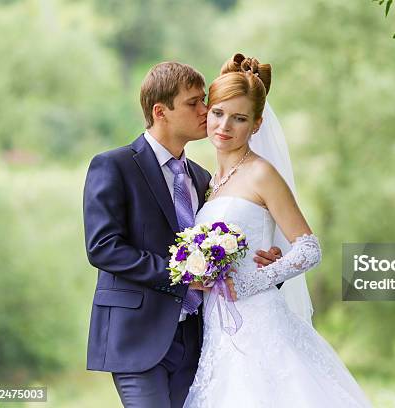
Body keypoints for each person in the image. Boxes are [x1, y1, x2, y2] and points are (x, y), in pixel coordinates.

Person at [83, 61, 282, 408]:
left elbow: (224, 249)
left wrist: (266, 268)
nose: (206, 111)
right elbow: (103, 248)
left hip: (198, 338)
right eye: (194, 103)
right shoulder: (114, 165)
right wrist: (182, 275)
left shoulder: (204, 177)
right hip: (137, 335)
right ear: (161, 112)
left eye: (204, 100)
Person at [183, 53, 371, 407]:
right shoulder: (210, 183)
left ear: (256, 125)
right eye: (218, 113)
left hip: (258, 318)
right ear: (207, 112)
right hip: (217, 326)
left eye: (239, 119)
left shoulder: (261, 173)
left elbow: (308, 248)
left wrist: (251, 282)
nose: (224, 126)